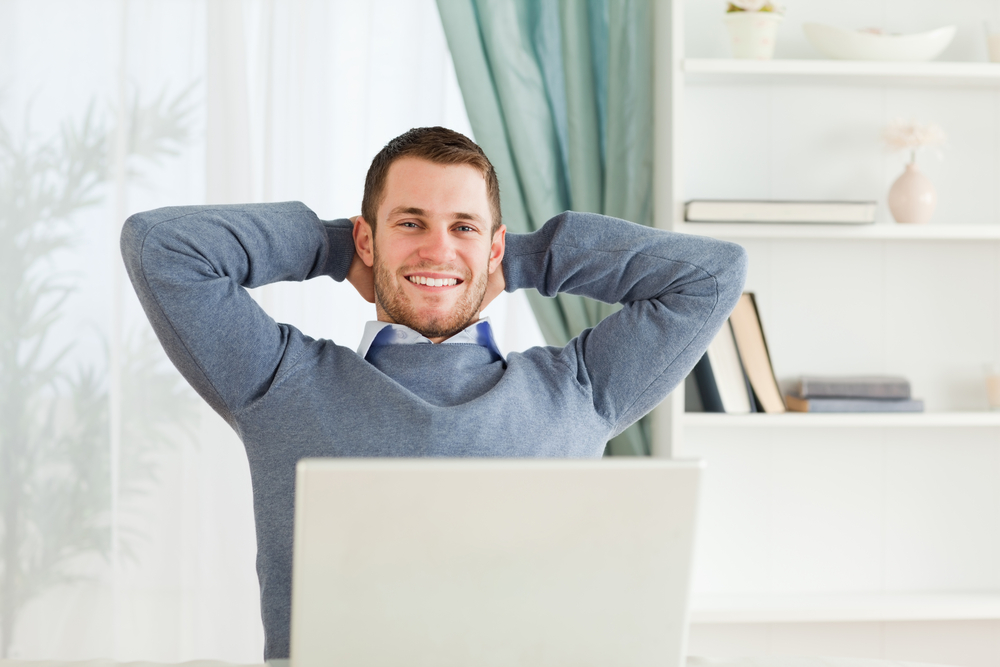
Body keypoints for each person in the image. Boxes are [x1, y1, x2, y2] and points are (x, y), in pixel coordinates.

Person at [120, 126, 747, 659]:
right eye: (410, 222)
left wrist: (526, 258)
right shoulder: (278, 380)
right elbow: (162, 247)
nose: (438, 248)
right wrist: (333, 247)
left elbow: (712, 274)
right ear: (370, 239)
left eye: (465, 227)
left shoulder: (582, 389)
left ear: (494, 245)